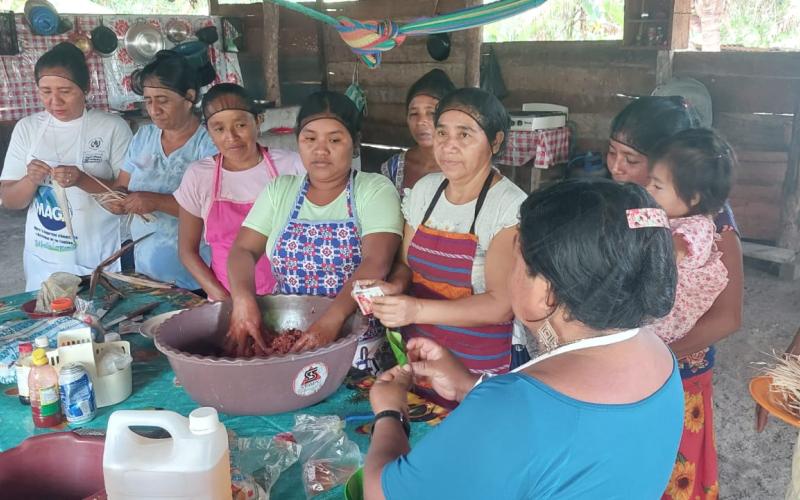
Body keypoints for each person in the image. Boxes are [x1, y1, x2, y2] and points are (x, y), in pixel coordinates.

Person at [364, 179, 684, 499]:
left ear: (548, 292)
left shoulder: (513, 411)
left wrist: (390, 413)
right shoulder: (658, 355)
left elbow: (381, 493)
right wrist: (468, 385)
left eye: (517, 260)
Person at [607, 96, 743, 499]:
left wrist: (655, 356)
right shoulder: (632, 203)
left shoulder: (713, 230)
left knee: (668, 469)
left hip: (677, 372)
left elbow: (727, 319)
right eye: (612, 153)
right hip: (624, 362)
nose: (616, 168)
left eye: (631, 160)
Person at [225, 91, 402, 362]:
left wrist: (331, 322)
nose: (320, 150)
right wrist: (243, 299)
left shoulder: (374, 189)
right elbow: (242, 250)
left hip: (356, 341)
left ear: (354, 143)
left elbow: (376, 263)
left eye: (334, 139)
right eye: (309, 138)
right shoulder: (280, 189)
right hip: (288, 333)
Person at [369, 88, 527, 376]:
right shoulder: (425, 191)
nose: (449, 146)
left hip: (478, 368)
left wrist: (415, 310)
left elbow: (500, 305)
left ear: (495, 141)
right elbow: (406, 264)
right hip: (418, 353)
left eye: (464, 135)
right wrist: (394, 288)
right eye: (442, 134)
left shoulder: (507, 206)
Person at [0, 42, 132, 291]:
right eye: (45, 91)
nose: (54, 101)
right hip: (44, 261)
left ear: (86, 88)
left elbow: (124, 201)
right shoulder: (28, 128)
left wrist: (82, 179)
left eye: (65, 91)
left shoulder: (112, 127)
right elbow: (10, 200)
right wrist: (30, 180)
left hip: (98, 257)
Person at [174, 83, 304, 301]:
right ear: (208, 132)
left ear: (259, 121)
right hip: (228, 299)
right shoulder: (199, 176)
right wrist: (223, 299)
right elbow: (187, 251)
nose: (231, 137)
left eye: (240, 125)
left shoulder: (292, 166)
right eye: (219, 129)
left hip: (290, 299)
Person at [105, 51, 217, 290]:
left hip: (197, 280)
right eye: (148, 100)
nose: (153, 109)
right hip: (145, 273)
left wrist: (156, 202)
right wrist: (118, 199)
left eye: (163, 100)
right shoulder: (144, 137)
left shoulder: (208, 143)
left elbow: (215, 209)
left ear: (189, 97)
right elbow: (121, 185)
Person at [645, 128, 734, 344]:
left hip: (659, 322)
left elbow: (664, 259)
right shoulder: (663, 212)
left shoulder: (697, 227)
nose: (647, 189)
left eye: (657, 185)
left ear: (693, 198)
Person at [380, 69, 455, 195]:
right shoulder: (393, 168)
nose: (421, 121)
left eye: (432, 113)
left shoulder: (469, 169)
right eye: (414, 113)